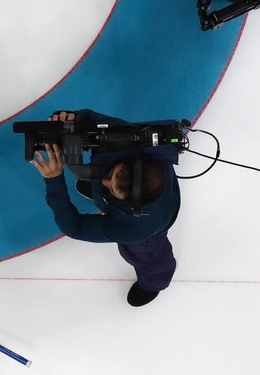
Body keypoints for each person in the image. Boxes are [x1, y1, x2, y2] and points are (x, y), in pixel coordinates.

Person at [30, 111, 180, 307]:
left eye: (112, 188)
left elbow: (75, 227)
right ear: (133, 163)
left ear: (131, 205)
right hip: (146, 188)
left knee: (147, 256)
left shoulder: (138, 228)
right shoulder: (137, 139)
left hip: (151, 231)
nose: (104, 180)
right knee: (106, 182)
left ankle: (154, 282)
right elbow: (97, 119)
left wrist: (54, 180)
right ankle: (104, 193)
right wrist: (72, 119)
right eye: (113, 175)